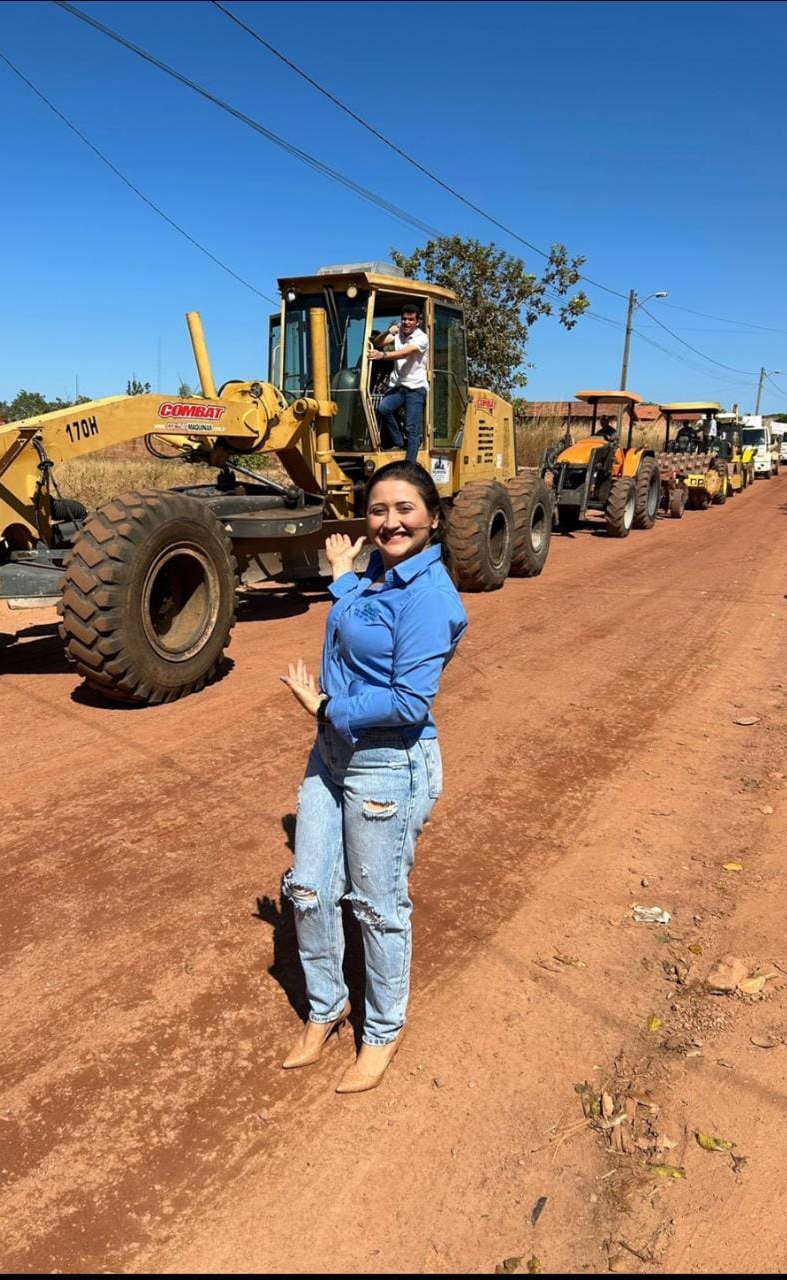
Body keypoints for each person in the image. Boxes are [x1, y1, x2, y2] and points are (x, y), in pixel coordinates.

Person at [279, 460, 467, 1094]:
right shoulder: (378, 577)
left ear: (433, 517)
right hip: (331, 754)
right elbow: (360, 627)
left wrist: (328, 707)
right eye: (379, 509)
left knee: (376, 906)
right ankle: (325, 1008)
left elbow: (409, 701)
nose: (390, 522)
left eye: (405, 509)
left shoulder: (430, 597)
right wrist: (340, 582)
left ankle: (382, 1032)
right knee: (306, 887)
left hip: (387, 762)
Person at [367, 304, 429, 462]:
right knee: (383, 408)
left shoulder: (421, 338)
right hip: (399, 386)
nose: (407, 322)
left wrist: (382, 355)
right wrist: (389, 331)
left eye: (411, 319)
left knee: (411, 428)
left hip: (415, 388)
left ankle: (409, 465)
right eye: (404, 319)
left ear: (418, 322)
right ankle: (398, 442)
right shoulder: (399, 332)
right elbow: (378, 342)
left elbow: (404, 353)